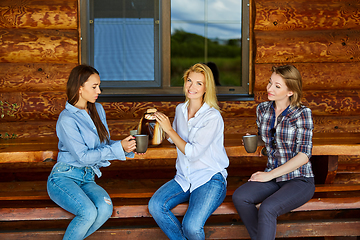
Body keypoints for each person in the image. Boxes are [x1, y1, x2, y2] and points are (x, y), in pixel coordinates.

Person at [47, 64, 137, 240]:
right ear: (80, 88)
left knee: (105, 209)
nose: (99, 91)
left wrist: (128, 148)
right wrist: (118, 149)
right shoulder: (67, 119)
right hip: (64, 177)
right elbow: (83, 156)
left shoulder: (97, 110)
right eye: (94, 86)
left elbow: (103, 145)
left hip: (88, 177)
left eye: (99, 86)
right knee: (88, 212)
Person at [232, 65, 315, 240]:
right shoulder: (263, 109)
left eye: (277, 86)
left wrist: (269, 176)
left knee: (267, 208)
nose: (269, 89)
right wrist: (255, 140)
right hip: (273, 177)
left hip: (299, 179)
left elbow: (304, 154)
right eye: (270, 83)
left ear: (290, 91)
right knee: (240, 197)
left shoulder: (302, 114)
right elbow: (270, 138)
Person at [148, 63, 229, 240]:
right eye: (189, 81)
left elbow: (192, 152)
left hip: (209, 179)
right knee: (155, 205)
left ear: (207, 87)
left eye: (199, 83)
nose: (192, 87)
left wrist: (169, 130)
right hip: (184, 177)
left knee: (191, 226)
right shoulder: (180, 109)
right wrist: (160, 127)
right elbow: (174, 138)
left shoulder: (212, 117)